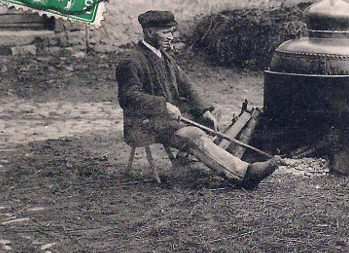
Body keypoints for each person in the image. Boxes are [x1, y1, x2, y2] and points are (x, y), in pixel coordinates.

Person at [116, 10, 279, 188]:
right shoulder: (132, 60)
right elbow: (128, 97)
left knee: (214, 112)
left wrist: (204, 111)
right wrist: (164, 106)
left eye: (172, 32)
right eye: (165, 32)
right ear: (149, 32)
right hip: (145, 124)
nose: (170, 37)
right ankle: (244, 174)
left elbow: (187, 86)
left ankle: (190, 161)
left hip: (168, 120)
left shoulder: (166, 58)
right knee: (194, 134)